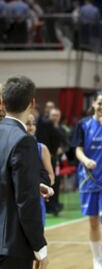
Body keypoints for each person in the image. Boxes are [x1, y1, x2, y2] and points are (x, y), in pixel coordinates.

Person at [0, 75, 48, 268]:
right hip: (11, 247)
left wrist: (33, 184)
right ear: (32, 103)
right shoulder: (24, 141)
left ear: (3, 101)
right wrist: (40, 248)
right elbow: (26, 202)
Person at [71, 93, 102, 269]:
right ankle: (97, 260)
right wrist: (85, 160)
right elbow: (78, 149)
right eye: (100, 104)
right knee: (93, 222)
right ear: (94, 104)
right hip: (88, 178)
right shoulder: (83, 124)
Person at [26, 113, 56, 225]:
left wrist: (46, 188)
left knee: (37, 236)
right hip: (17, 199)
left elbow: (51, 175)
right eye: (27, 124)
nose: (31, 127)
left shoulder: (41, 148)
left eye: (33, 124)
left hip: (36, 199)